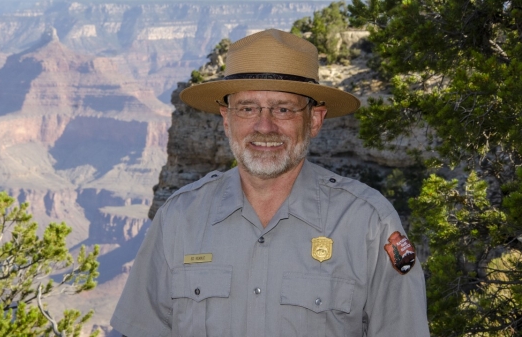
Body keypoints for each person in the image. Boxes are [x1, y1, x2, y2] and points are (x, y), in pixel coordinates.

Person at [110, 28, 430, 337]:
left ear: (314, 120)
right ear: (226, 119)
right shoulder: (178, 219)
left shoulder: (369, 224)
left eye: (283, 109)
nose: (264, 127)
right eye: (247, 108)